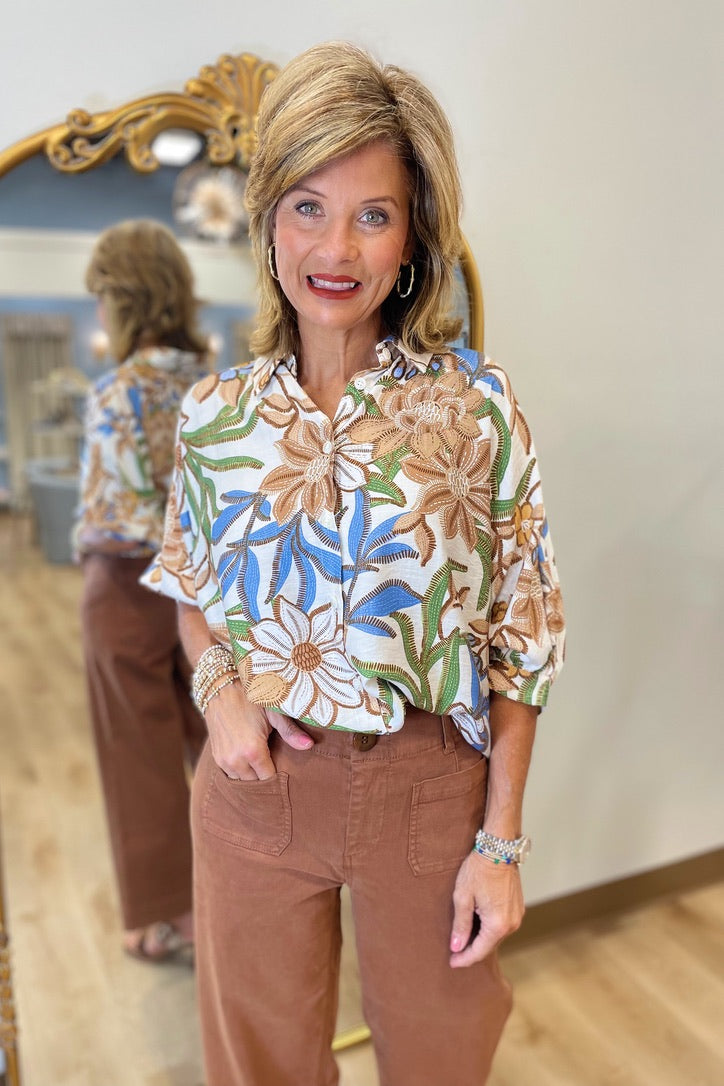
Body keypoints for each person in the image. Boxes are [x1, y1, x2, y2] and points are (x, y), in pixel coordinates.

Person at [144, 42, 565, 1085]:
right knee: (259, 1065)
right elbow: (190, 589)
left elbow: (525, 642)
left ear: (412, 235)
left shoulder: (474, 412)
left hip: (427, 792)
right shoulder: (214, 416)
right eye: (307, 207)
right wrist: (219, 695)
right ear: (267, 222)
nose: (336, 248)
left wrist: (500, 845)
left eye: (373, 214)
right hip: (255, 786)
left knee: (440, 1056)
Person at [74, 219, 209, 962]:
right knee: (219, 745)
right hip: (203, 591)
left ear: (123, 299)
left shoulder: (116, 391)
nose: (98, 310)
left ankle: (170, 918)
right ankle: (237, 893)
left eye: (102, 296)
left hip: (125, 586)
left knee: (138, 758)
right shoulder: (215, 384)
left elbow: (113, 515)